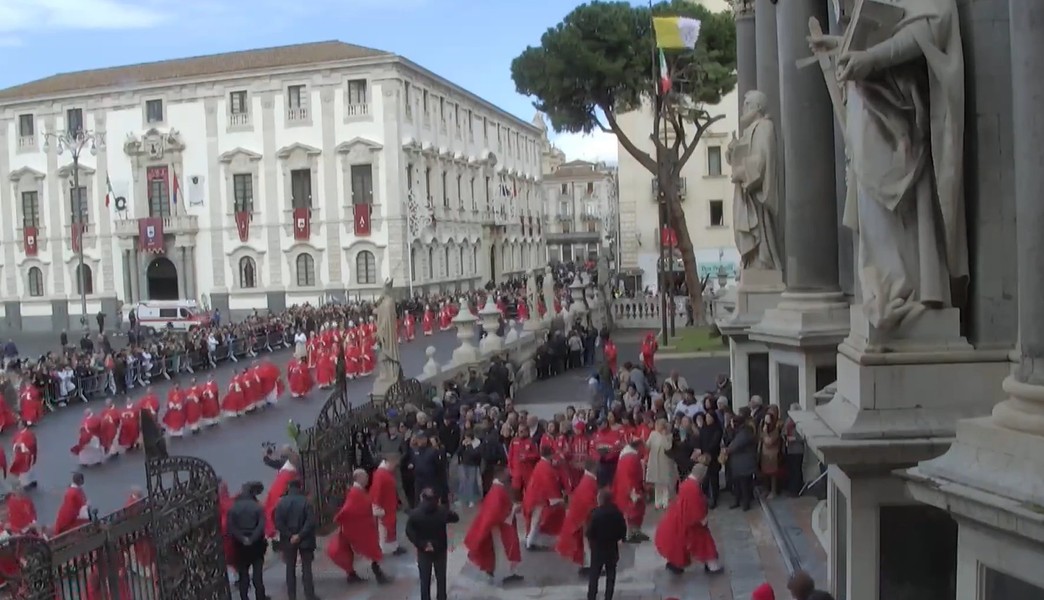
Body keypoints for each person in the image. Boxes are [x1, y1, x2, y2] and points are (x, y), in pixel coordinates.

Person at [654, 463, 723, 575]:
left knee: (679, 544)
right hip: (691, 522)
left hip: (680, 519)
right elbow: (695, 507)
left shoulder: (687, 484)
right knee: (704, 543)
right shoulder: (693, 488)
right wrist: (702, 519)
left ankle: (676, 564)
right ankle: (712, 566)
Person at [327, 469, 389, 584]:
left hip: (358, 526)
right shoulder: (355, 493)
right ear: (359, 478)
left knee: (354, 551)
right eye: (365, 477)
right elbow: (350, 509)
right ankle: (377, 575)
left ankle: (353, 574)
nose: (367, 479)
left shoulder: (357, 491)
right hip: (358, 528)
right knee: (370, 549)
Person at [463, 467, 523, 585]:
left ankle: (504, 572)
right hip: (499, 527)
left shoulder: (497, 489)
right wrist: (513, 510)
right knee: (502, 550)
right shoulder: (498, 491)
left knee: (502, 550)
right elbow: (496, 512)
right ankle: (502, 573)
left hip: (497, 525)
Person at [405, 487, 461, 600]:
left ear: (422, 498)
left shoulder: (415, 514)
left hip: (424, 550)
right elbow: (456, 518)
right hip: (440, 549)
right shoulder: (442, 512)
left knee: (424, 579)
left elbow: (409, 532)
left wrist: (422, 544)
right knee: (441, 578)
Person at [273, 479, 318, 600]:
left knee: (290, 568)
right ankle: (309, 594)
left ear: (288, 488)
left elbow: (278, 523)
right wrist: (300, 535)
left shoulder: (282, 503)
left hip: (288, 540)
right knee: (306, 568)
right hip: (305, 538)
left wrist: (290, 535)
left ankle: (292, 596)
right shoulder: (306, 501)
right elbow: (310, 521)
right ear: (300, 487)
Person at [555, 459, 600, 575]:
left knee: (584, 542)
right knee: (588, 542)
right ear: (593, 468)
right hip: (583, 518)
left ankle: (587, 565)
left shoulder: (587, 480)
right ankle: (590, 566)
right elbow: (590, 502)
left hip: (579, 517)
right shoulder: (589, 482)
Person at [227, 481, 268, 600]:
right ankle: (260, 596)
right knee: (257, 576)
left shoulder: (233, 508)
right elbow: (261, 526)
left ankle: (244, 597)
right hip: (257, 545)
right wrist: (252, 538)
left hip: (240, 546)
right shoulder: (257, 507)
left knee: (243, 575)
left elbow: (231, 527)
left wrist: (242, 538)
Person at [585, 489, 627, 600]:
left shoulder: (595, 514)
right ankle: (608, 596)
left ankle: (592, 596)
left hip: (598, 548)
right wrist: (620, 538)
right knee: (611, 574)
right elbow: (623, 529)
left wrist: (591, 542)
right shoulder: (617, 513)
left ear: (600, 500)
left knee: (594, 574)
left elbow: (590, 532)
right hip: (612, 547)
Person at [522, 445, 565, 550]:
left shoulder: (541, 464)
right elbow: (550, 485)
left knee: (535, 521)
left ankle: (530, 541)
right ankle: (529, 542)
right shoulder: (546, 467)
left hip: (534, 497)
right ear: (550, 454)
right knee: (535, 521)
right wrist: (558, 499)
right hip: (537, 499)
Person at [611, 440, 647, 543]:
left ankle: (635, 531)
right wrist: (633, 491)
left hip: (627, 487)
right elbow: (630, 475)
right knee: (631, 511)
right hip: (629, 489)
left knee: (636, 510)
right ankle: (630, 534)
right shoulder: (631, 458)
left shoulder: (628, 456)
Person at [371, 453, 405, 555]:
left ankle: (392, 546)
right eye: (394, 464)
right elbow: (377, 491)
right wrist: (377, 507)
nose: (395, 467)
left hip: (389, 505)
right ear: (389, 462)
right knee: (385, 530)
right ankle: (386, 548)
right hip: (385, 507)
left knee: (389, 528)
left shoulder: (385, 473)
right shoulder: (380, 474)